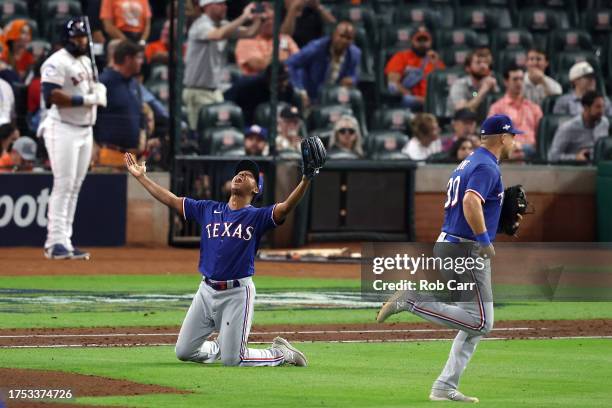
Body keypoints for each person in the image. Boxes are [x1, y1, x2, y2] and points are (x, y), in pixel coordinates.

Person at [123, 140, 325, 366]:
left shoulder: (257, 217)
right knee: (184, 351)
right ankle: (220, 346)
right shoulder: (208, 209)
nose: (240, 176)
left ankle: (280, 353)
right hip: (206, 291)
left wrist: (306, 179)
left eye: (248, 175)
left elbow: (286, 207)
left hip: (236, 294)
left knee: (233, 360)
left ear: (256, 188)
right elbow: (170, 199)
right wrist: (141, 177)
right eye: (238, 173)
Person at [377, 114, 524, 403]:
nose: (515, 141)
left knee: (473, 326)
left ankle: (444, 386)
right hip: (465, 247)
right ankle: (411, 299)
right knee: (481, 322)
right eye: (513, 136)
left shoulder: (470, 161)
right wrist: (484, 239)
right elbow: (470, 201)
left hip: (451, 243)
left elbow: (471, 204)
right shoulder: (485, 166)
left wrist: (495, 220)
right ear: (503, 137)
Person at [39, 17, 107, 260]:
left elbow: (89, 89)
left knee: (75, 186)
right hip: (62, 127)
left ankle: (65, 241)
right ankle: (54, 242)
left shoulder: (87, 61)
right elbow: (51, 95)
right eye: (77, 37)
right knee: (64, 183)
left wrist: (98, 92)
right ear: (66, 38)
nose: (82, 40)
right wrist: (86, 100)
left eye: (83, 36)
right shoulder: (56, 62)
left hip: (85, 129)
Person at [183, 0, 263, 130]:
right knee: (200, 133)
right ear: (207, 6)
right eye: (220, 4)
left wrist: (258, 19)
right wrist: (243, 16)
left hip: (215, 91)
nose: (224, 7)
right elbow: (217, 34)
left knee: (219, 131)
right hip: (197, 91)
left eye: (225, 4)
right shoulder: (200, 25)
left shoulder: (223, 25)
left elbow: (249, 33)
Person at [94, 40, 145, 167]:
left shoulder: (134, 84)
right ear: (128, 59)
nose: (141, 62)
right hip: (107, 154)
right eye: (138, 58)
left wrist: (142, 134)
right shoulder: (103, 82)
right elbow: (91, 116)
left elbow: (140, 113)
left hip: (132, 157)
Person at [286, 21, 360, 104]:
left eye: (349, 38)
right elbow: (291, 64)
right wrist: (299, 89)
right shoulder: (316, 48)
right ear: (333, 35)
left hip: (333, 97)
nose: (344, 41)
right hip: (310, 94)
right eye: (342, 36)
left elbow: (354, 74)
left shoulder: (354, 54)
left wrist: (352, 79)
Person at [488, 64, 543, 159]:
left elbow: (542, 136)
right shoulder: (497, 108)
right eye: (515, 79)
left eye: (521, 79)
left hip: (531, 153)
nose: (519, 83)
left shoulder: (534, 108)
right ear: (506, 82)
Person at [384, 26, 445, 110]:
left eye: (425, 40)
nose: (422, 43)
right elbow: (393, 84)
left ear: (431, 42)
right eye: (419, 40)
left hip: (432, 102)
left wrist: (436, 64)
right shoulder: (401, 57)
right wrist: (410, 95)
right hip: (411, 99)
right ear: (412, 40)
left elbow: (442, 87)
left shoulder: (435, 60)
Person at [235, 3, 299, 76]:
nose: (271, 22)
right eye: (266, 19)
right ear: (256, 21)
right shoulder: (246, 40)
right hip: (258, 83)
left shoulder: (284, 37)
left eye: (273, 19)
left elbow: (300, 60)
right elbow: (259, 66)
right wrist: (279, 54)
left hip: (286, 81)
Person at [224, 63, 297, 125]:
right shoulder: (249, 85)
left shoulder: (288, 89)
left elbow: (293, 109)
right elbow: (228, 101)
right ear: (270, 79)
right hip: (248, 124)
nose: (284, 83)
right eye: (281, 80)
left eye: (286, 79)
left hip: (278, 126)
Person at [548, 90, 609, 162]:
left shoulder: (604, 122)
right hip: (575, 168)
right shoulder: (568, 128)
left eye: (603, 107)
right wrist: (575, 158)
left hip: (599, 165)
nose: (602, 111)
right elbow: (552, 156)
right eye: (598, 107)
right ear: (586, 108)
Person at [447, 50, 499, 120]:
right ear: (468, 68)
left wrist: (495, 91)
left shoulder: (492, 83)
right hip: (462, 125)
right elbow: (462, 112)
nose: (483, 66)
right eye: (478, 62)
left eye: (486, 63)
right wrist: (483, 90)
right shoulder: (459, 85)